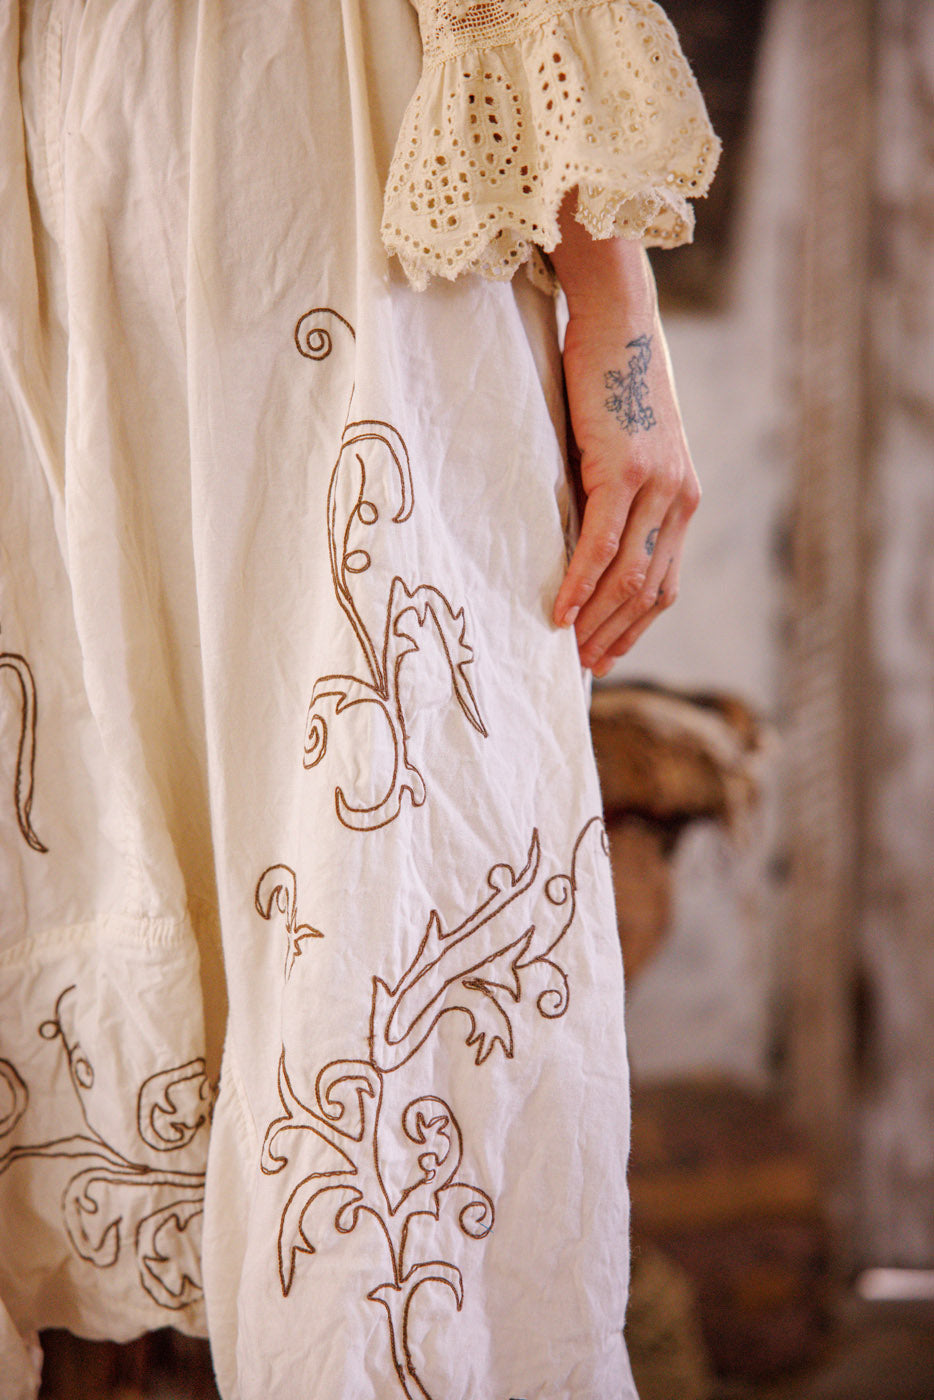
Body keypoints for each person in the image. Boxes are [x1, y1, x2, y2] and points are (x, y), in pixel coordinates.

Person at [0, 1, 717, 1396]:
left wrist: (614, 304)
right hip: (141, 150)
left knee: (373, 870)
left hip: (280, 148)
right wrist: (613, 300)